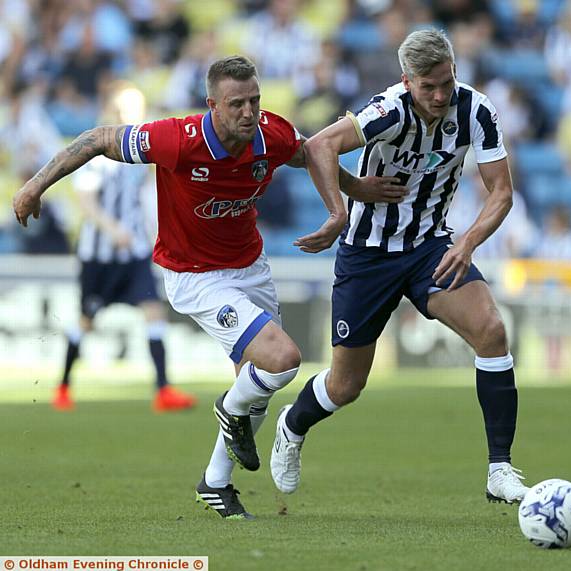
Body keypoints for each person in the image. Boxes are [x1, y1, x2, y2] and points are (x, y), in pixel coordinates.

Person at [13, 55, 407, 519]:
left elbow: (312, 152)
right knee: (282, 362)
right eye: (237, 103)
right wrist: (35, 186)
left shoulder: (269, 134)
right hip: (195, 274)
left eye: (254, 101)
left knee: (255, 391)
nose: (248, 112)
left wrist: (353, 190)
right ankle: (228, 409)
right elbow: (99, 139)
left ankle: (215, 482)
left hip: (250, 266)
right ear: (212, 105)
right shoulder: (178, 140)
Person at [269, 29, 530, 505]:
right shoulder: (388, 109)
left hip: (430, 247)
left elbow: (502, 192)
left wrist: (468, 242)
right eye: (428, 86)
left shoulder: (476, 110)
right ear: (406, 80)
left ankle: (500, 470)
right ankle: (292, 423)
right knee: (346, 386)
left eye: (446, 83)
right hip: (367, 254)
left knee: (492, 331)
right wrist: (345, 202)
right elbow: (319, 147)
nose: (439, 95)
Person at [53, 84, 196, 413]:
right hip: (99, 255)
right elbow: (86, 203)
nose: (129, 116)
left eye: (134, 110)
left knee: (154, 312)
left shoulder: (142, 158)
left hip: (134, 253)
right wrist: (112, 228)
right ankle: (62, 386)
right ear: (112, 112)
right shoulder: (95, 156)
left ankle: (163, 390)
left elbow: (147, 201)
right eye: (123, 110)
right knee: (86, 319)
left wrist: (158, 234)